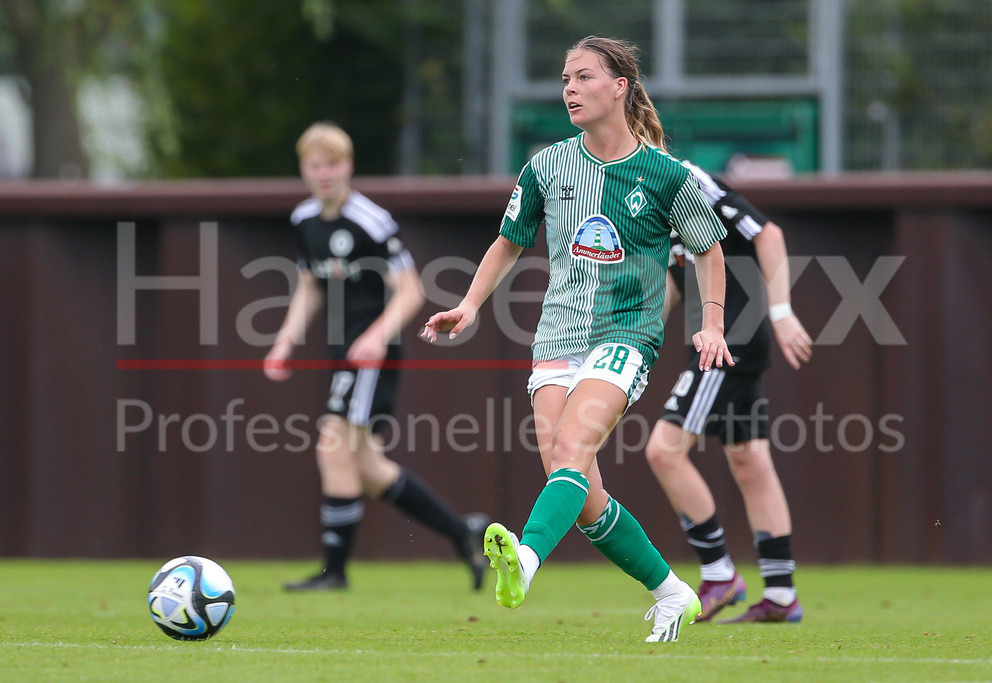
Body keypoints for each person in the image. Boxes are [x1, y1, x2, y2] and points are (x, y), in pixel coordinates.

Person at [422, 36, 733, 642]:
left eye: (583, 77)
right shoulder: (547, 165)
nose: (568, 87)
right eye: (564, 78)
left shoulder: (667, 175)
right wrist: (467, 305)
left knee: (569, 451)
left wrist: (713, 320)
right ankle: (673, 594)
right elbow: (509, 241)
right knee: (581, 488)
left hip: (626, 335)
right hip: (555, 339)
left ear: (620, 87)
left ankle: (526, 561)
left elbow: (709, 248)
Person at [265, 122, 489, 592]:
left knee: (332, 446)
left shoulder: (370, 221)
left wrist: (375, 336)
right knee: (366, 466)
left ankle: (334, 573)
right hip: (340, 352)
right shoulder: (304, 220)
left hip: (371, 354)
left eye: (333, 164)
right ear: (304, 170)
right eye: (315, 165)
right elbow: (309, 284)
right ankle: (463, 533)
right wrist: (286, 339)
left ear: (348, 167)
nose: (324, 174)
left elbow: (410, 292)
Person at [644, 164, 812, 623]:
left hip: (729, 343)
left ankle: (719, 574)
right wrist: (636, 340)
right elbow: (672, 280)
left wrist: (781, 311)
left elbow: (768, 233)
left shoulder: (685, 178)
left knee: (664, 451)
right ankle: (780, 595)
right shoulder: (641, 190)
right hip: (728, 341)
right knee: (750, 461)